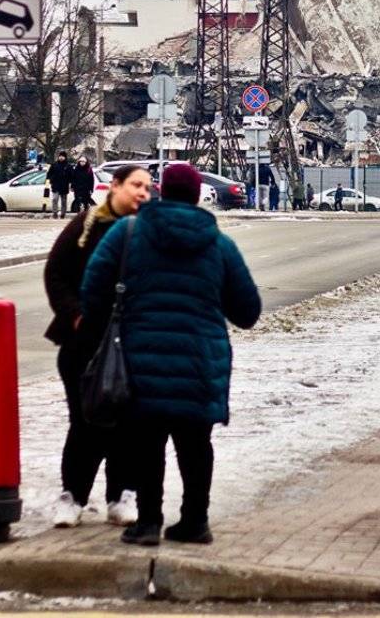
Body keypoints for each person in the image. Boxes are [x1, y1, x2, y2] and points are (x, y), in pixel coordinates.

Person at [79, 163, 261, 547]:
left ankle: (148, 523)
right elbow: (248, 312)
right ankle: (195, 521)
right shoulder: (219, 245)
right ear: (197, 196)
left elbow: (92, 288)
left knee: (147, 444)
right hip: (200, 362)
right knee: (196, 445)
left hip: (140, 359)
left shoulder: (127, 234)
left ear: (161, 191)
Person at [42, 163, 152, 528]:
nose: (143, 193)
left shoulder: (148, 230)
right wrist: (74, 314)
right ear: (115, 185)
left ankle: (121, 497)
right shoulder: (87, 224)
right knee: (84, 422)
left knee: (126, 424)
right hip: (83, 344)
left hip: (131, 344)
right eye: (136, 185)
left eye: (147, 187)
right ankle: (72, 497)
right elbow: (55, 273)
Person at [47, 151, 73, 218]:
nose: (61, 157)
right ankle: (55, 213)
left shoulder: (68, 166)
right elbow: (49, 174)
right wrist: (51, 180)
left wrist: (70, 184)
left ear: (65, 157)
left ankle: (63, 214)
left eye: (62, 156)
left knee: (63, 201)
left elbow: (72, 176)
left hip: (64, 186)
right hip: (55, 185)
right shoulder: (54, 165)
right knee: (55, 199)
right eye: (60, 156)